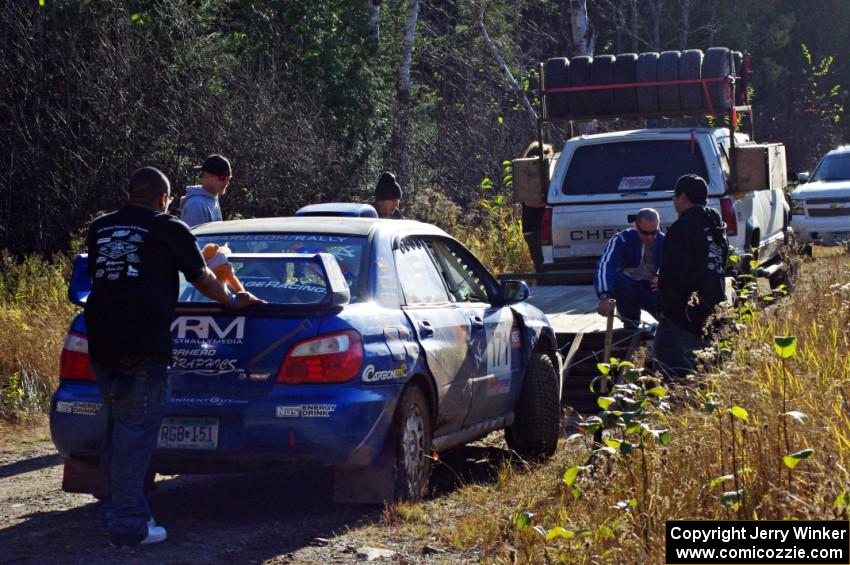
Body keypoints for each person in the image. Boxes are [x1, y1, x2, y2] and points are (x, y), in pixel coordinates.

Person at [85, 166, 262, 547]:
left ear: (128, 193)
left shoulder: (100, 228)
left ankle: (114, 510)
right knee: (136, 435)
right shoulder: (169, 227)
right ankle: (129, 525)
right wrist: (232, 300)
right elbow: (202, 279)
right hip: (143, 343)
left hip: (99, 341)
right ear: (164, 199)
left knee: (117, 430)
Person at [654, 174, 729, 378]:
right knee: (711, 369)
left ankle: (681, 406)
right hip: (714, 307)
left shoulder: (682, 228)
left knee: (673, 371)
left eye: (675, 197)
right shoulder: (715, 223)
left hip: (684, 316)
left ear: (683, 197)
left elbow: (673, 273)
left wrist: (666, 309)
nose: (674, 202)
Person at [595, 208, 665, 328]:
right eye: (645, 233)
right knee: (619, 280)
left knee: (669, 321)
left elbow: (678, 267)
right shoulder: (621, 239)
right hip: (629, 287)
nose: (650, 237)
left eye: (654, 232)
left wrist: (664, 279)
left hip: (652, 289)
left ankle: (667, 323)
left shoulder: (664, 241)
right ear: (635, 227)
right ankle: (631, 323)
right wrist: (604, 296)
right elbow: (606, 265)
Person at [519, 142, 554, 273]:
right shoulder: (525, 176)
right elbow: (528, 202)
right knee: (540, 264)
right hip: (533, 227)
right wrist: (550, 203)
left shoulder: (546, 175)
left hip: (545, 225)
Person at [180, 154, 232, 227]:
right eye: (223, 177)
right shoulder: (196, 204)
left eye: (228, 178)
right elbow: (193, 237)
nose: (227, 182)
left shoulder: (212, 199)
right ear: (207, 175)